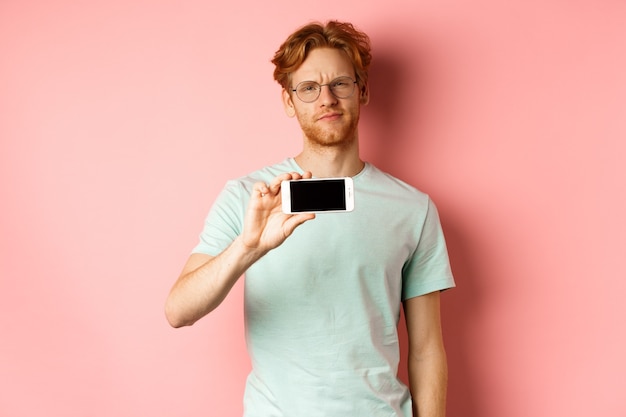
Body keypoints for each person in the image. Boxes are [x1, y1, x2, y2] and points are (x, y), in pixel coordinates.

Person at [165, 20, 455, 417]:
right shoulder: (249, 198)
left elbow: (426, 350)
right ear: (289, 102)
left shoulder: (413, 208)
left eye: (340, 83)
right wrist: (247, 248)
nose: (327, 99)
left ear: (363, 90)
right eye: (308, 88)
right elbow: (178, 311)